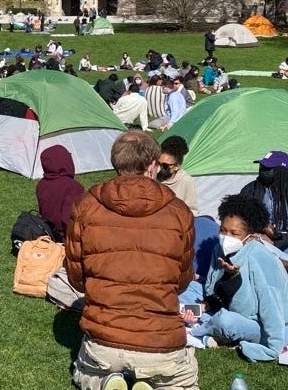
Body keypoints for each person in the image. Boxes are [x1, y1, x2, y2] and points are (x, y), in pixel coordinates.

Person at [65, 130, 197, 390]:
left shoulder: (86, 206)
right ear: (152, 164)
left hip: (105, 341)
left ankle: (106, 383)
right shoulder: (179, 212)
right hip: (161, 342)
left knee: (85, 373)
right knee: (182, 381)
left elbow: (77, 278)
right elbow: (181, 280)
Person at [189, 194, 288, 360]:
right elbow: (213, 291)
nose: (226, 237)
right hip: (225, 307)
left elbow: (271, 307)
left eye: (234, 233)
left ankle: (202, 332)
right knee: (187, 289)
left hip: (260, 323)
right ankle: (201, 323)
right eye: (223, 230)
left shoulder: (259, 258)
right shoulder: (219, 249)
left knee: (225, 321)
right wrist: (205, 305)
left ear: (250, 237)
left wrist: (272, 348)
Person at [237, 151, 288, 251]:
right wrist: (263, 227)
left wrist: (278, 241)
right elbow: (240, 217)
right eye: (262, 167)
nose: (262, 170)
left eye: (267, 168)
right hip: (262, 238)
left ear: (281, 172)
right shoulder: (250, 190)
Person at [36, 145, 84, 241]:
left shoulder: (41, 184)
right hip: (65, 237)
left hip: (47, 232)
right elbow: (69, 218)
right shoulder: (72, 186)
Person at [158, 136, 198, 215]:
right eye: (158, 163)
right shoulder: (151, 176)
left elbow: (192, 210)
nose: (160, 168)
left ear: (177, 166)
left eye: (166, 165)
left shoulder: (186, 181)